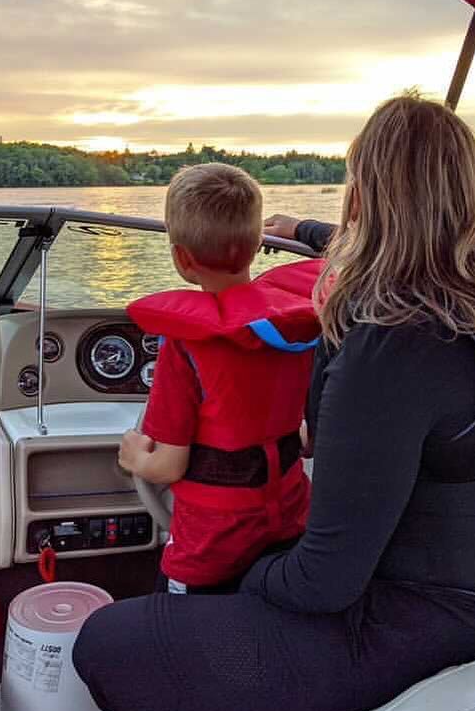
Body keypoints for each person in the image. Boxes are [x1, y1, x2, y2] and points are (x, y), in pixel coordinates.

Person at [74, 95, 475, 711]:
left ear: (362, 198)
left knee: (107, 642)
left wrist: (249, 571)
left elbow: (324, 584)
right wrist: (301, 232)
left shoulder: (394, 343)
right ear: (474, 193)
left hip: (435, 621)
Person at [118, 162, 322, 594]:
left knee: (172, 613)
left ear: (180, 258)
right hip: (288, 520)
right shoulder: (297, 327)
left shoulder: (186, 343)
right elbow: (302, 432)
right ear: (255, 246)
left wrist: (136, 458)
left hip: (213, 546)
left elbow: (168, 466)